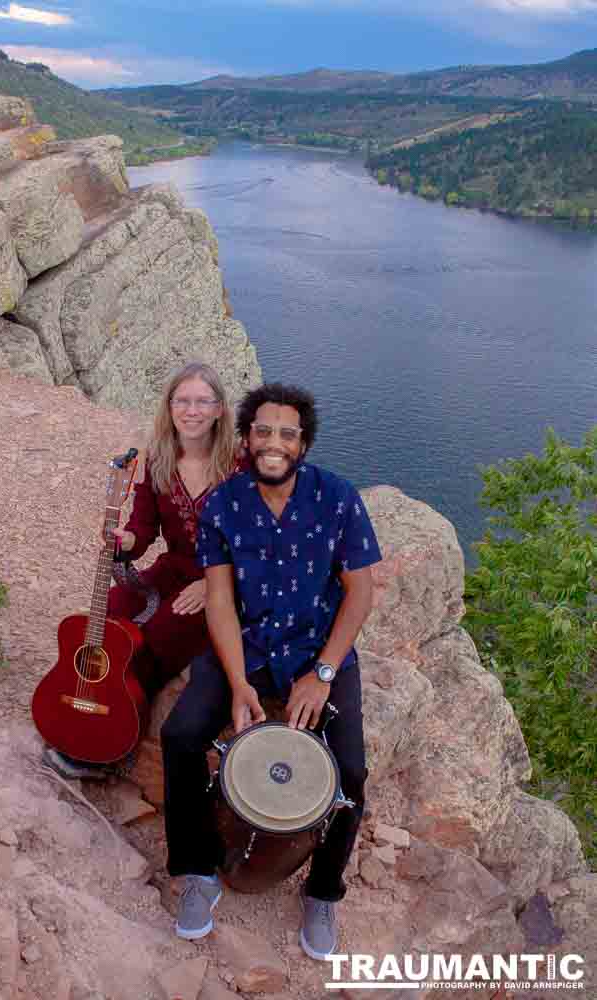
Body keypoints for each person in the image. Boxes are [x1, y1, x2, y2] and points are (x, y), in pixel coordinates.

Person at [161, 382, 382, 960]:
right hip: (250, 647)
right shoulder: (224, 504)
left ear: (303, 442)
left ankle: (323, 891)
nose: (274, 443)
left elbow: (361, 592)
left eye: (287, 433)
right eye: (263, 431)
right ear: (246, 438)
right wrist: (237, 683)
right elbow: (218, 601)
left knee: (351, 771)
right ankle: (199, 872)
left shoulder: (337, 497)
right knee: (181, 736)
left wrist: (325, 673)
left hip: (317, 651)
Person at [42, 362, 244, 780]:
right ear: (169, 407)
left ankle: (116, 739)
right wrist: (124, 541)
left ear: (220, 409)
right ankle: (86, 707)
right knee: (113, 610)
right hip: (173, 568)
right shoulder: (158, 460)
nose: (191, 411)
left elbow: (259, 543)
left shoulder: (240, 467)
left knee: (157, 635)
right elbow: (143, 529)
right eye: (182, 401)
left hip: (224, 581)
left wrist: (212, 585)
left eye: (202, 401)